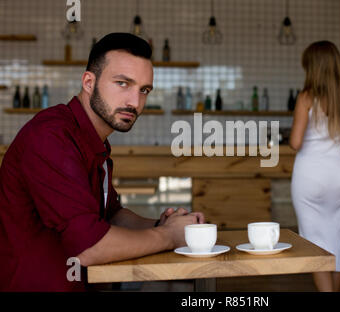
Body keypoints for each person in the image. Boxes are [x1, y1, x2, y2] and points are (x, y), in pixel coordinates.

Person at [0, 33, 205, 291]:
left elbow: (110, 216)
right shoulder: (51, 137)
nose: (135, 102)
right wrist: (168, 236)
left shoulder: (96, 143)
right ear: (88, 82)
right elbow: (89, 246)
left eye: (144, 90)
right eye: (122, 83)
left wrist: (160, 224)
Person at [289, 40, 340, 292]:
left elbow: (296, 143)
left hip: (310, 179)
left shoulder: (306, 97)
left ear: (313, 68)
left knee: (315, 247)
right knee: (335, 247)